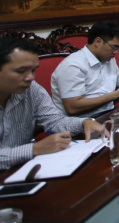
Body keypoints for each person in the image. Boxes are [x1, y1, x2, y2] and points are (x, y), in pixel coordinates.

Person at [0, 37, 102, 170]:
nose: (31, 77)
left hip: (25, 170)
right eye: (20, 71)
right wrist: (35, 149)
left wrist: (84, 123)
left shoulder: (32, 89)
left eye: (33, 70)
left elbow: (54, 121)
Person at [52, 21, 119, 117]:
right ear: (98, 42)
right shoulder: (73, 65)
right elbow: (72, 108)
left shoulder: (109, 59)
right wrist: (115, 95)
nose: (116, 52)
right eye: (114, 47)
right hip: (81, 121)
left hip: (108, 113)